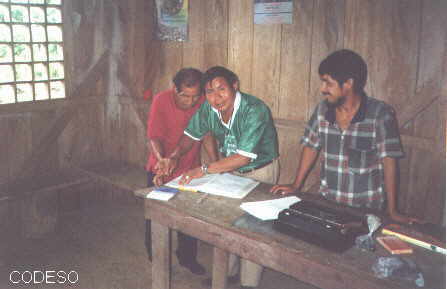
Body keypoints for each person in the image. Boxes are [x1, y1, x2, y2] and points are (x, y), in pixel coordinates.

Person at [157, 66, 280, 289]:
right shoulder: (208, 108)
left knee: (253, 228)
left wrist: (204, 169)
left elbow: (243, 157)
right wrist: (173, 157)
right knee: (228, 222)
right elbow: (190, 135)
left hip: (261, 171)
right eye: (210, 92)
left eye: (221, 89)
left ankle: (248, 283)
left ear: (235, 86)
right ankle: (228, 273)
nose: (216, 97)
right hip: (230, 169)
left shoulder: (255, 109)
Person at [271, 49, 420, 224]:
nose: (322, 89)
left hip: (367, 209)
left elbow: (390, 162)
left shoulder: (380, 114)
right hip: (328, 203)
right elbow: (311, 146)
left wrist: (393, 210)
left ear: (348, 83)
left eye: (328, 83)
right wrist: (296, 185)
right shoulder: (322, 111)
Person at [144, 67, 218, 275]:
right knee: (157, 214)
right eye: (186, 96)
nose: (191, 102)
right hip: (161, 167)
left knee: (189, 216)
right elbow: (154, 136)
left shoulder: (202, 102)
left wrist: (216, 165)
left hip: (189, 169)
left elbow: (206, 135)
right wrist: (163, 160)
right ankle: (155, 255)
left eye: (196, 97)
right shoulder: (161, 100)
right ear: (174, 89)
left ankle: (187, 258)